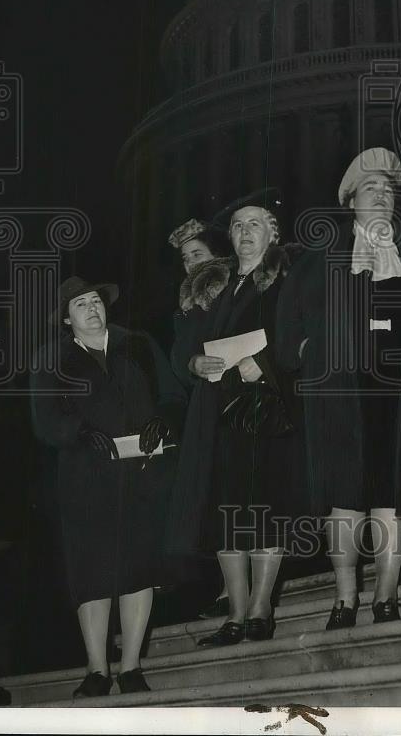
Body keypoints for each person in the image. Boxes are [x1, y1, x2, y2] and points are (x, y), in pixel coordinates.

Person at [276, 148, 401, 629]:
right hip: (342, 392)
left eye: (387, 188)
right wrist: (307, 353)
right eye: (370, 189)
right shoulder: (319, 257)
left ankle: (385, 592)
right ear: (350, 200)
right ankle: (344, 597)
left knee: (393, 490)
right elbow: (288, 325)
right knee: (345, 493)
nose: (381, 195)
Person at [165, 190, 307, 648]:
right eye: (238, 226)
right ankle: (237, 612)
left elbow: (303, 332)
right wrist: (192, 364)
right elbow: (188, 342)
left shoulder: (288, 276)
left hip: (267, 405)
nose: (245, 233)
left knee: (265, 503)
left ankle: (261, 607)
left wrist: (263, 363)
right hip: (219, 408)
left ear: (273, 232)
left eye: (254, 224)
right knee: (225, 509)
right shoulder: (216, 284)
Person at [31, 276, 185, 697]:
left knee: (139, 570)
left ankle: (131, 667)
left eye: (96, 301)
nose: (92, 308)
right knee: (92, 573)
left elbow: (173, 396)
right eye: (80, 304)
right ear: (67, 319)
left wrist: (162, 419)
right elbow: (44, 420)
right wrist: (78, 432)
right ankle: (97, 670)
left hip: (141, 473)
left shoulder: (138, 344)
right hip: (86, 478)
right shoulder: (51, 358)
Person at [167, 217, 233, 618]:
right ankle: (228, 589)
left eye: (198, 253)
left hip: (244, 395)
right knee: (216, 497)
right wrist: (192, 362)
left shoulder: (233, 284)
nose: (191, 262)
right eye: (185, 257)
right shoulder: (188, 302)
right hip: (208, 404)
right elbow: (179, 353)